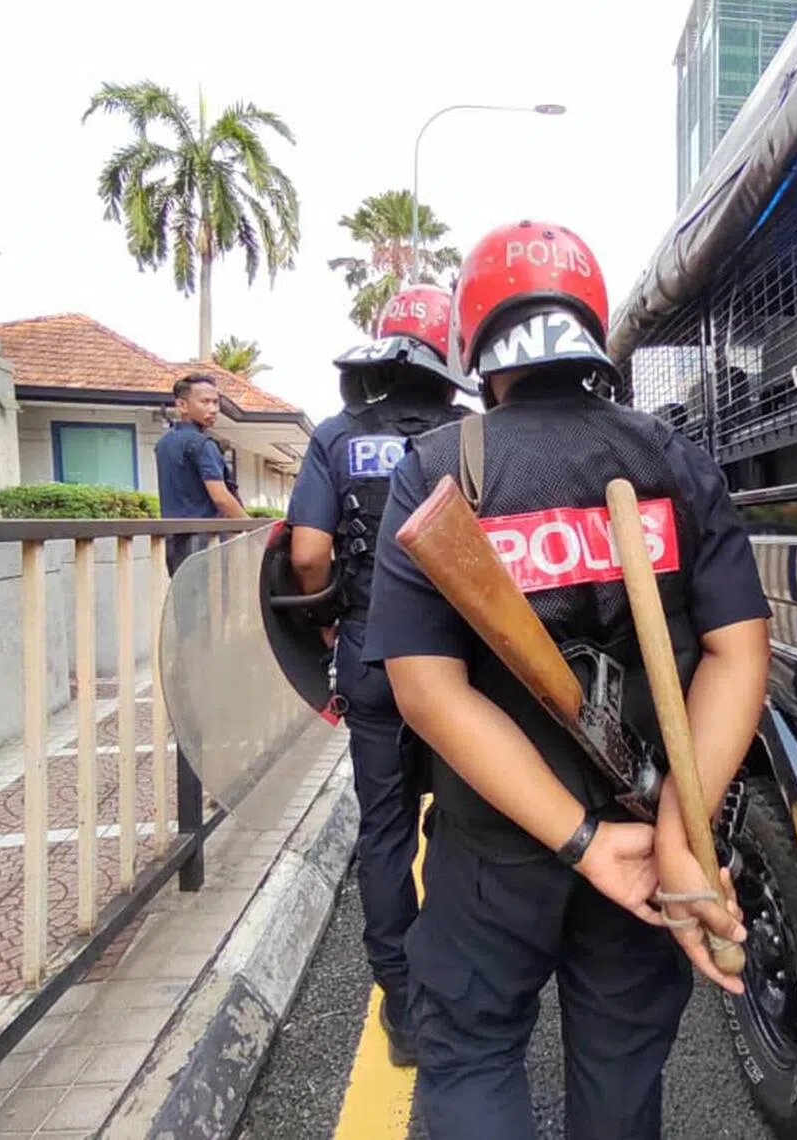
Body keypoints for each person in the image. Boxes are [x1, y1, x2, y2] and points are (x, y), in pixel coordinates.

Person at [363, 220, 772, 1139]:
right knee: (622, 1074)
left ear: (478, 345)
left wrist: (581, 842)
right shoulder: (672, 459)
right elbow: (740, 652)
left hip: (498, 847)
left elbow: (428, 693)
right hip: (650, 827)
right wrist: (675, 836)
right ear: (588, 329)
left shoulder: (441, 471)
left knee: (470, 1058)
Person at [284, 285, 477, 1066]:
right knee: (468, 823)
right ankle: (462, 983)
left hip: (371, 659)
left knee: (385, 832)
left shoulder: (336, 437)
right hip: (464, 670)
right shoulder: (477, 438)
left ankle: (401, 1005)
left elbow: (305, 553)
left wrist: (329, 622)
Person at [155, 372, 247, 578]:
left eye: (216, 402)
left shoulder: (163, 444)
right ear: (182, 405)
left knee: (186, 605)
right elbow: (221, 497)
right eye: (205, 402)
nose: (213, 409)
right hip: (207, 543)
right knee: (216, 606)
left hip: (175, 543)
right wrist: (250, 527)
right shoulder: (203, 444)